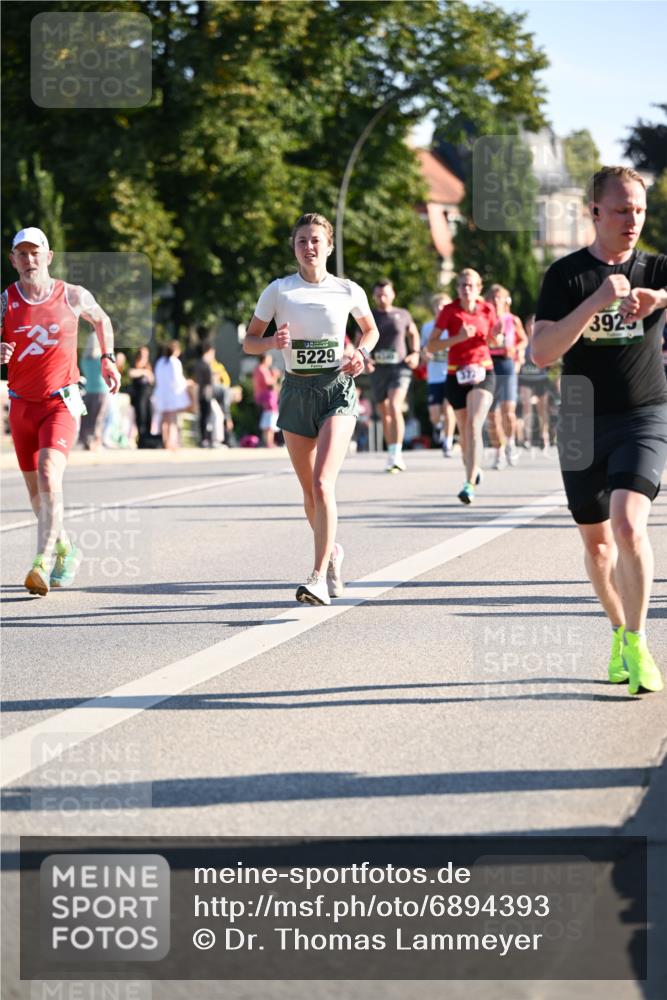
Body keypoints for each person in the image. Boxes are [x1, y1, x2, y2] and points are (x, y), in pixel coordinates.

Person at [533, 165, 667, 696]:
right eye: (621, 210)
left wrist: (659, 300)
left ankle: (638, 641)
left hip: (643, 414)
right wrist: (596, 302)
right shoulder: (566, 276)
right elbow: (541, 352)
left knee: (629, 525)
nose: (632, 220)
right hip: (580, 419)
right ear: (594, 212)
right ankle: (618, 631)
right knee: (599, 549)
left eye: (639, 210)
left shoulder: (656, 268)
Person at [243, 212, 378, 606]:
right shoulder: (278, 291)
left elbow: (370, 330)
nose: (309, 247)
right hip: (296, 391)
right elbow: (250, 341)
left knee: (322, 483)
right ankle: (332, 553)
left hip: (337, 388)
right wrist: (272, 342)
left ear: (329, 246)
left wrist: (360, 353)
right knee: (309, 492)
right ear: (294, 247)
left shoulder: (347, 290)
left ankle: (317, 578)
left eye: (316, 240)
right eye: (302, 241)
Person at [0, 227, 120, 595]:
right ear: (13, 260)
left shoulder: (72, 295)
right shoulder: (5, 301)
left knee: (48, 473)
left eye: (35, 252)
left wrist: (108, 358)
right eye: (22, 254)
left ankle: (41, 562)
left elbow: (102, 320)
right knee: (37, 497)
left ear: (48, 257)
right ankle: (67, 551)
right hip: (21, 405)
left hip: (60, 403)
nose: (29, 260)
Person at [428, 268, 497, 504]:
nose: (466, 289)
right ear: (457, 289)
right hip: (455, 374)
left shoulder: (487, 309)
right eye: (462, 285)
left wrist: (497, 336)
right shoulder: (449, 311)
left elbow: (493, 339)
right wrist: (458, 337)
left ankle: (468, 484)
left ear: (479, 288)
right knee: (465, 431)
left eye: (471, 285)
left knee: (474, 424)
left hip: (483, 371)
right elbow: (432, 346)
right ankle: (473, 468)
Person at [367, 278, 421, 472]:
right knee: (384, 413)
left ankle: (397, 454)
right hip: (378, 369)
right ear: (374, 296)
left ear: (393, 294)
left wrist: (415, 353)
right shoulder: (369, 315)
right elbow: (360, 338)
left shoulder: (403, 314)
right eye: (378, 295)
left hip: (400, 368)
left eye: (385, 294)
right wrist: (365, 358)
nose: (382, 298)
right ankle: (391, 453)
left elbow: (413, 333)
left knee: (394, 405)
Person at [485, 284, 527, 469]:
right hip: (488, 364)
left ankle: (510, 443)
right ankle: (499, 452)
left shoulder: (513, 320)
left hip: (506, 364)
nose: (496, 301)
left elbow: (524, 340)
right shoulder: (484, 319)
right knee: (492, 413)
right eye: (492, 297)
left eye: (499, 297)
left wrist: (515, 348)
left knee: (508, 411)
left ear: (506, 300)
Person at [420, 292, 457, 456]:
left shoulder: (454, 326)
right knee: (434, 414)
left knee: (449, 409)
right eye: (438, 305)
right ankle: (439, 426)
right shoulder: (428, 327)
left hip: (451, 374)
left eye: (444, 305)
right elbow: (422, 349)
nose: (441, 308)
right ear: (434, 308)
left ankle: (448, 443)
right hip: (434, 376)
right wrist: (425, 355)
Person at [517, 315, 552, 450]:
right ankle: (528, 437)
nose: (531, 327)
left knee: (542, 409)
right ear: (526, 327)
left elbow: (551, 359)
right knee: (526, 406)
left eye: (534, 324)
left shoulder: (542, 341)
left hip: (541, 379)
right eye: (529, 324)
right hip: (525, 379)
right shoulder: (522, 341)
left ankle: (544, 436)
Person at [152, 339, 194, 451]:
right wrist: (187, 383)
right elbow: (177, 379)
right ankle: (172, 442)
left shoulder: (160, 362)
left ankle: (165, 441)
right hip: (172, 394)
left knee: (165, 419)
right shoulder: (174, 362)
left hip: (161, 393)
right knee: (172, 419)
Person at [78, 331, 109, 451]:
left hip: (88, 390)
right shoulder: (102, 359)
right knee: (98, 418)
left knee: (88, 418)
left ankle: (86, 440)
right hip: (101, 390)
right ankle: (96, 441)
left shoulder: (84, 359)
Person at [252, 352, 281, 448]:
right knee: (270, 420)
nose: (270, 360)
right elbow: (268, 383)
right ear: (265, 359)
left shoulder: (258, 369)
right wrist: (275, 376)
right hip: (267, 398)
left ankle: (268, 442)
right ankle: (269, 442)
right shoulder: (262, 369)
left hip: (264, 397)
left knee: (267, 420)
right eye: (269, 358)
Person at [128, 345, 154, 445]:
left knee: (149, 416)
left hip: (148, 395)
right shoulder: (135, 364)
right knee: (140, 416)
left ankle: (148, 438)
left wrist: (148, 373)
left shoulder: (148, 365)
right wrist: (144, 372)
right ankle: (141, 439)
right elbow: (131, 373)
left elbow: (152, 379)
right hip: (139, 395)